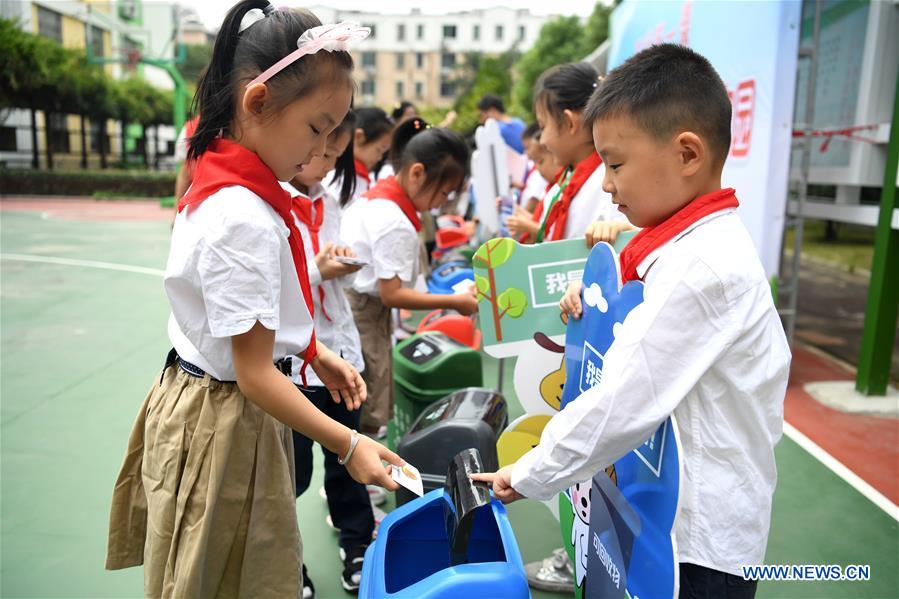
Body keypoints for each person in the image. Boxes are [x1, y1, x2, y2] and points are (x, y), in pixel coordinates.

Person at [472, 44, 792, 599]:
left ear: (687, 154)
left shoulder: (701, 267)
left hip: (695, 548)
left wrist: (524, 475)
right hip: (662, 514)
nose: (605, 183)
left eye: (616, 164)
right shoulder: (672, 247)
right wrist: (591, 296)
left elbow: (622, 398)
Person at [105, 4, 401, 597]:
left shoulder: (231, 181)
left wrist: (312, 351)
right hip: (225, 418)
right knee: (224, 574)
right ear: (258, 102)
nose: (326, 150)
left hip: (211, 400)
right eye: (318, 128)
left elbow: (245, 321)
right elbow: (253, 374)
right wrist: (349, 444)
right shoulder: (242, 215)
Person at [282, 111, 375, 596]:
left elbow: (347, 280)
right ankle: (286, 564)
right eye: (319, 153)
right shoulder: (271, 206)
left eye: (334, 156)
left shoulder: (331, 203)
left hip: (341, 351)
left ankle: (358, 544)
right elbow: (272, 290)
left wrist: (344, 268)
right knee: (288, 480)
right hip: (294, 367)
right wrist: (317, 271)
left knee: (348, 461)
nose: (324, 164)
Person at [341, 118, 479, 439]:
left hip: (354, 307)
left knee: (367, 390)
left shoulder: (379, 197)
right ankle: (363, 479)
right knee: (370, 393)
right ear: (417, 173)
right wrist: (454, 301)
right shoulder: (395, 221)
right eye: (443, 192)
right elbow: (393, 295)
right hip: (365, 312)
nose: (441, 203)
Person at [531, 62, 630, 244]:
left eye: (543, 126)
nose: (542, 140)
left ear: (569, 122)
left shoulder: (610, 184)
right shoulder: (564, 184)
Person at [326, 106, 393, 209]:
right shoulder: (336, 176)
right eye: (379, 149)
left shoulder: (362, 177)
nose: (379, 158)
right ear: (359, 137)